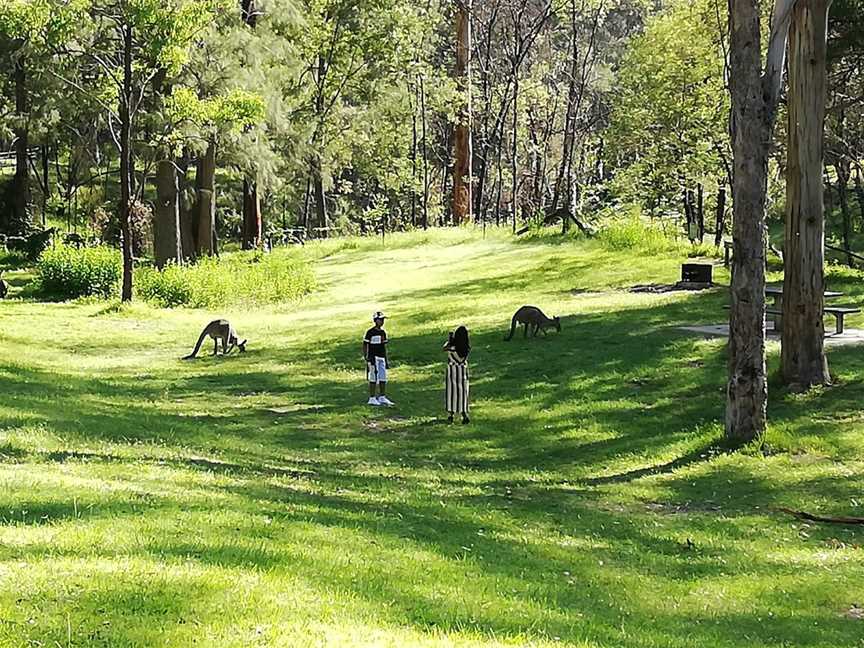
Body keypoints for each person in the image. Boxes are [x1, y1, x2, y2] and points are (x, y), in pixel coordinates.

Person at [363, 311, 394, 406]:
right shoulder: (370, 332)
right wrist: (366, 357)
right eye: (380, 320)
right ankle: (372, 397)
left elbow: (383, 346)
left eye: (383, 320)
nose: (382, 322)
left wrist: (386, 358)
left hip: (381, 357)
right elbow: (365, 344)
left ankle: (382, 396)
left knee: (382, 376)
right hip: (373, 357)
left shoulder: (383, 333)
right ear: (375, 320)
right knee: (373, 377)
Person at [443, 325, 470, 423]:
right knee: (463, 393)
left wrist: (450, 340)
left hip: (452, 372)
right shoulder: (466, 349)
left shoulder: (451, 348)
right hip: (462, 372)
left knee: (451, 393)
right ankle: (465, 415)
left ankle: (450, 415)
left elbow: (444, 348)